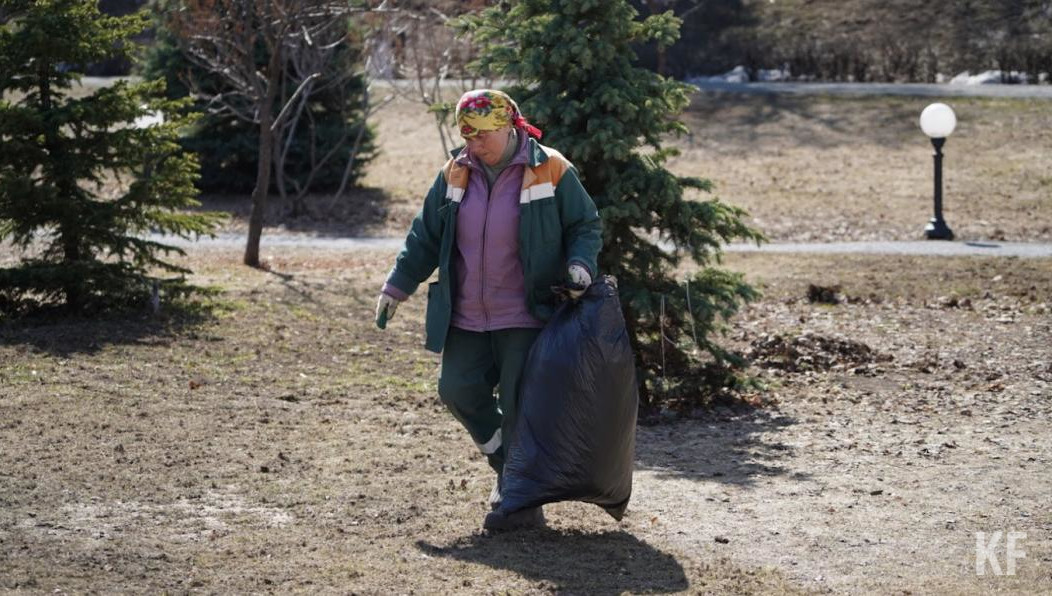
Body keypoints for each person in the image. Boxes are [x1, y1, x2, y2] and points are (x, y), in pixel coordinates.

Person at [374, 89, 602, 531]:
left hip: (525, 312)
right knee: (457, 391)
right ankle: (511, 471)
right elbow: (425, 235)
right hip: (466, 315)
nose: (473, 146)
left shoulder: (551, 168)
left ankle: (518, 500)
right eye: (467, 136)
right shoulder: (456, 172)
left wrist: (580, 264)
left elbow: (584, 224)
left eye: (482, 136)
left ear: (508, 126)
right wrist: (397, 286)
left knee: (518, 406)